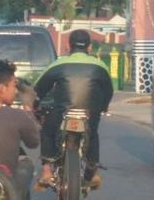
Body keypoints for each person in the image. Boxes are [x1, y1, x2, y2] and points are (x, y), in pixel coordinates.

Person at [34, 29, 113, 190]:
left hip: (61, 113)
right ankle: (92, 169)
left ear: (68, 46)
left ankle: (47, 169)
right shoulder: (100, 66)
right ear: (89, 47)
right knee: (93, 134)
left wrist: (37, 105)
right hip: (89, 114)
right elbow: (108, 91)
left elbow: (39, 89)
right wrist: (102, 107)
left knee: (47, 131)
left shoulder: (58, 64)